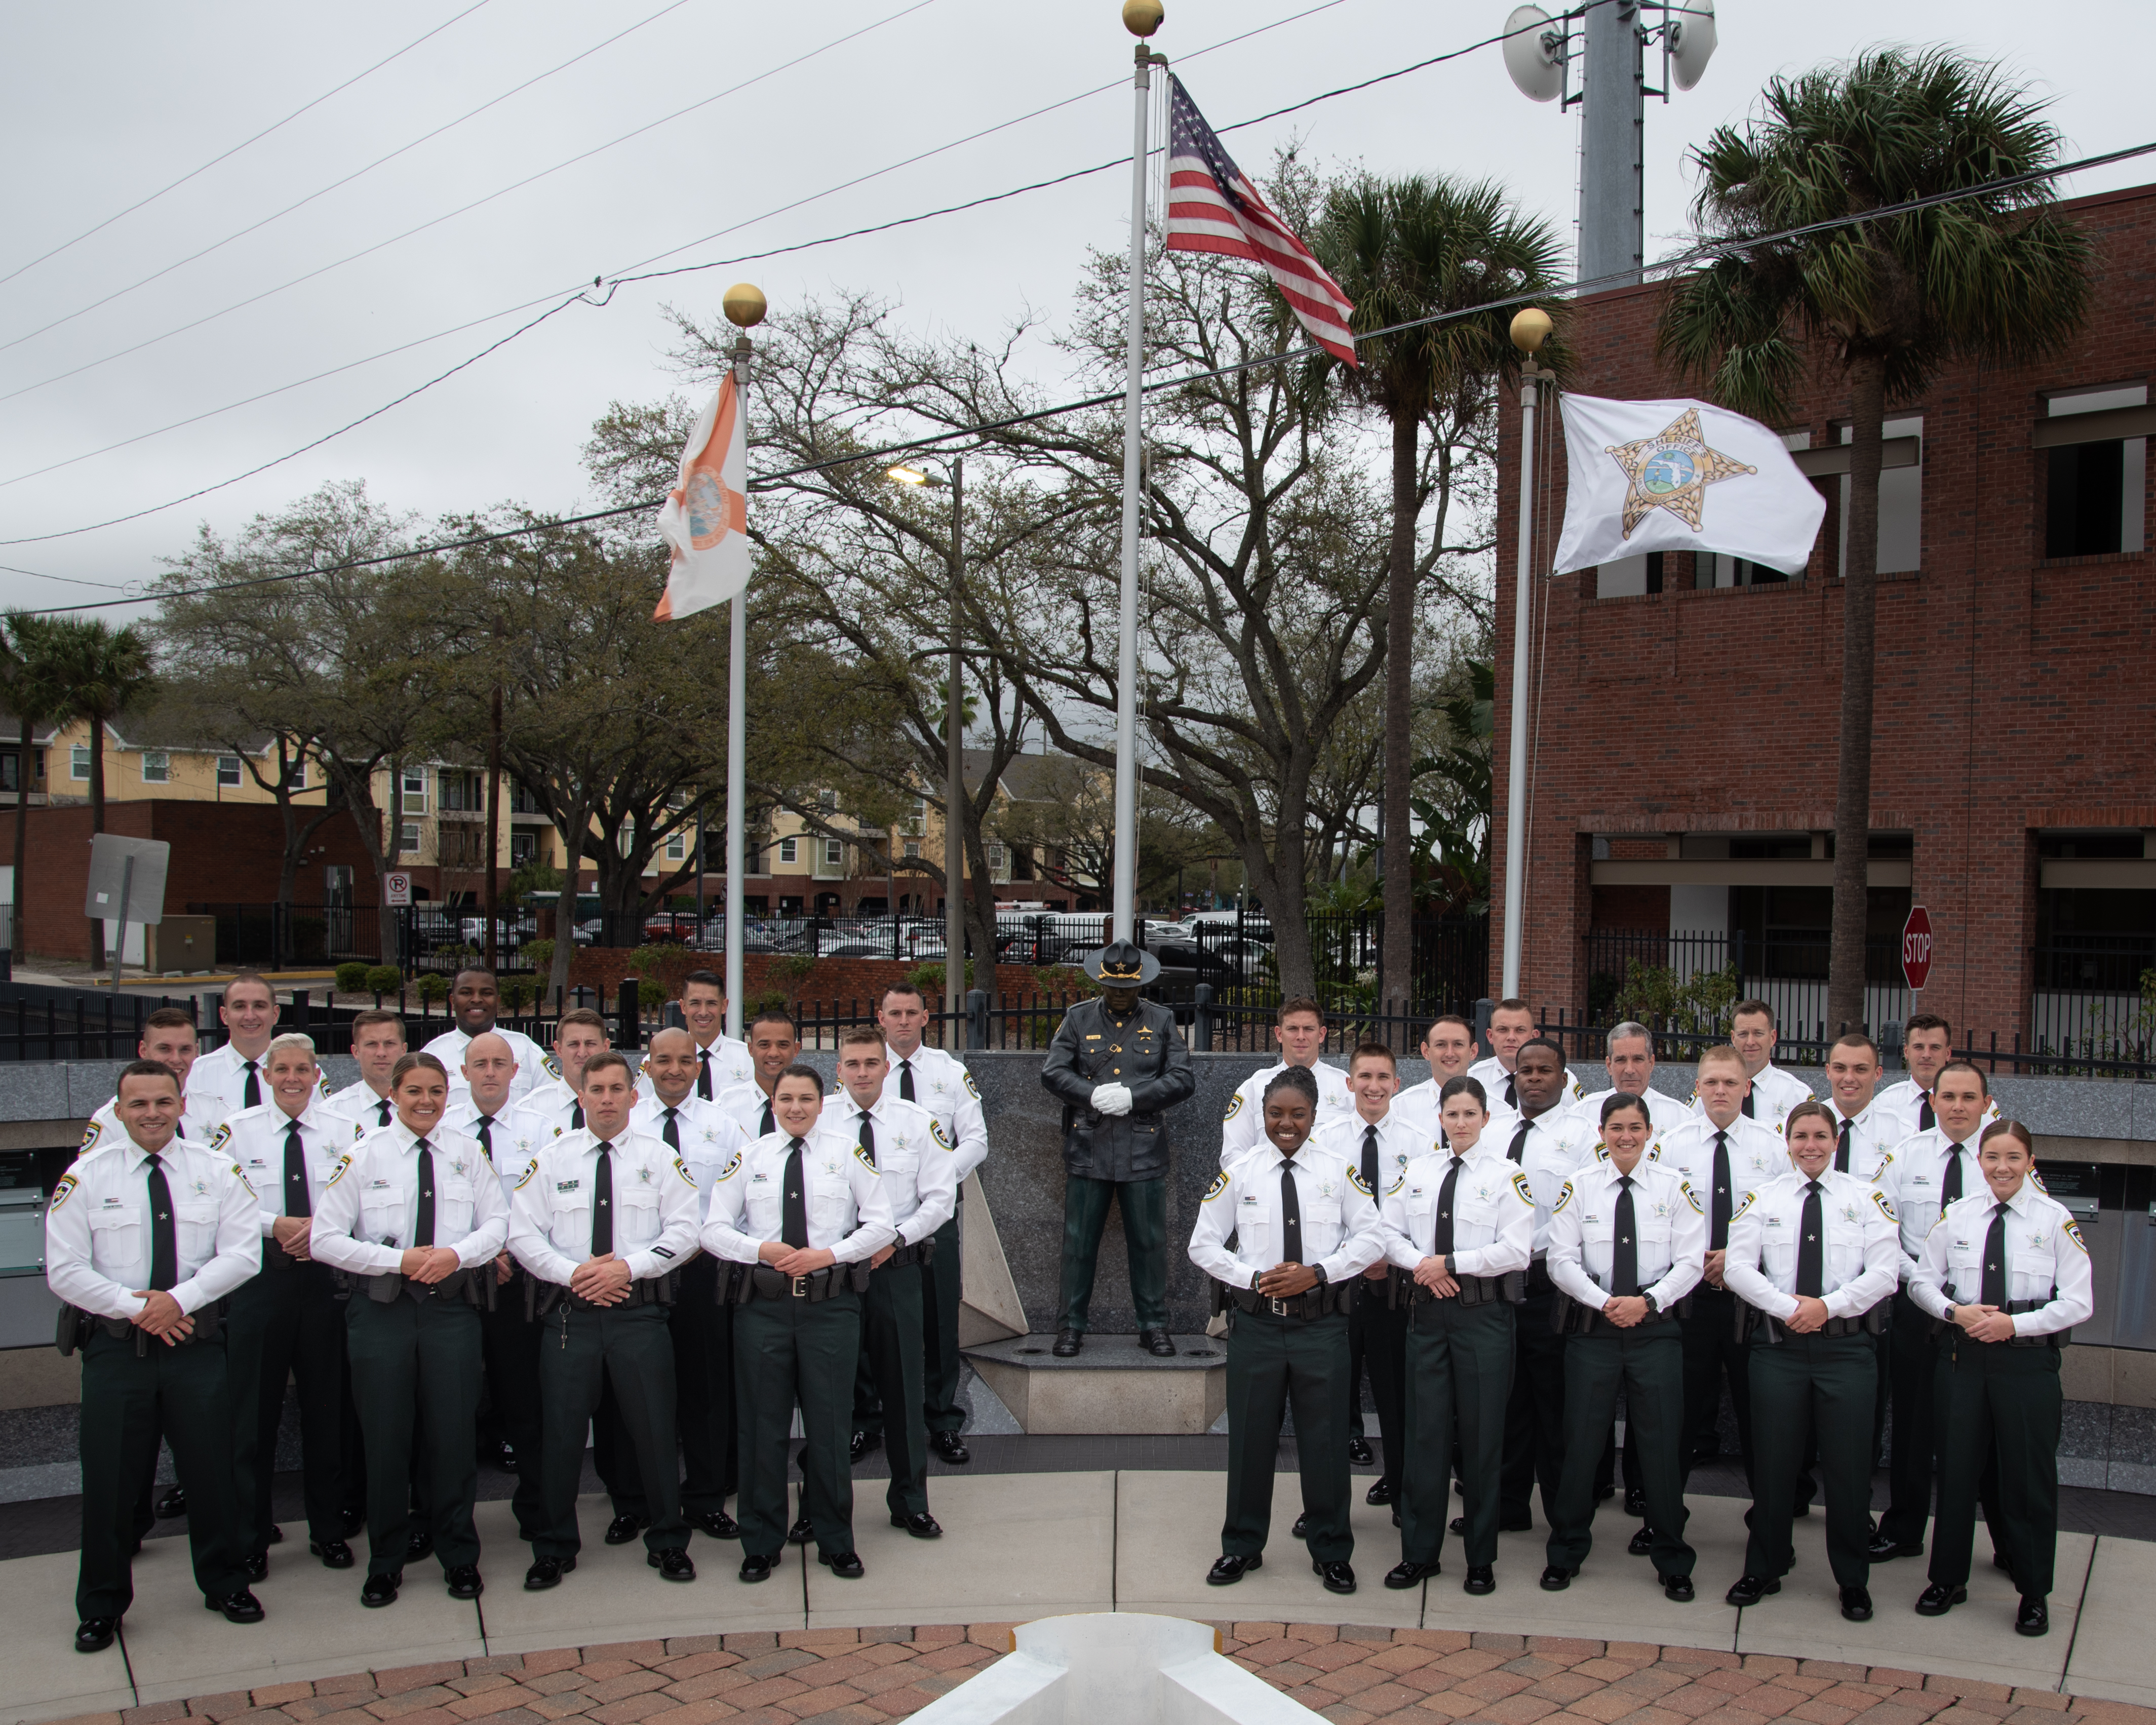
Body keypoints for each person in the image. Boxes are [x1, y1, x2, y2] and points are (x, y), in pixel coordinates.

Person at [48, 1061, 264, 1653]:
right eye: (139, 1103)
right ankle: (102, 1603)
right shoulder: (86, 1177)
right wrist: (136, 1307)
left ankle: (226, 1583)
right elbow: (64, 1270)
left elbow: (243, 1254)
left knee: (212, 1473)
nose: (152, 1113)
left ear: (181, 1106)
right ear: (119, 1111)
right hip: (118, 1352)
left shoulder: (217, 1170)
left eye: (164, 1102)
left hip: (196, 1348)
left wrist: (178, 1301)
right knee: (111, 1481)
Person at [310, 1052, 507, 1609]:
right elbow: (325, 1238)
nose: (426, 1102)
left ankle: (459, 1555)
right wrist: (396, 1261)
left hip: (450, 1311)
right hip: (382, 1314)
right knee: (385, 1441)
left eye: (436, 1092)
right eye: (415, 1091)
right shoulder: (363, 1154)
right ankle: (386, 1562)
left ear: (448, 1096)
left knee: (453, 1438)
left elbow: (498, 1223)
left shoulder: (467, 1153)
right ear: (394, 1094)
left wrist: (454, 1255)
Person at [508, 1050, 700, 1589]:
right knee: (561, 1436)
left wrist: (626, 1269)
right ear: (582, 1096)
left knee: (655, 1432)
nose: (608, 1099)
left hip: (638, 1317)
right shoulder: (552, 1159)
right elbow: (523, 1234)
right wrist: (574, 1274)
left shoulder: (660, 1157)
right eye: (597, 1090)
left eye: (618, 1089)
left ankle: (668, 1541)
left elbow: (686, 1231)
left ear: (634, 1097)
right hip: (570, 1317)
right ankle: (554, 1546)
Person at [1190, 1067, 1384, 1597]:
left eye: (1297, 1113)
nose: (1286, 1123)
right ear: (1263, 1115)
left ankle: (1331, 1551)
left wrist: (1318, 1272)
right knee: (1250, 1441)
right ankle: (1242, 1544)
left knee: (1325, 1443)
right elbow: (1202, 1244)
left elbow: (1372, 1237)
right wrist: (1251, 1277)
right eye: (1276, 1113)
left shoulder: (1339, 1172)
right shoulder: (1241, 1173)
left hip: (1321, 1329)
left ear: (1314, 1116)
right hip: (1256, 1326)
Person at [702, 1063, 895, 1584]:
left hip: (829, 1309)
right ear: (773, 1104)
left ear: (821, 1102)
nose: (795, 1108)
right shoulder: (751, 1156)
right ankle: (760, 1544)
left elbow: (882, 1224)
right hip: (762, 1309)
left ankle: (836, 1541)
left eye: (805, 1099)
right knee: (761, 1429)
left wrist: (828, 1254)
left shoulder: (846, 1153)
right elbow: (712, 1229)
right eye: (786, 1099)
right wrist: (759, 1249)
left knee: (831, 1427)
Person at [1908, 1118, 2090, 1636]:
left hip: (2026, 1364)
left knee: (2028, 1479)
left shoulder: (2054, 1220)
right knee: (1956, 1472)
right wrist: (1953, 1311)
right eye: (1992, 1157)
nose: (2002, 1167)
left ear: (2030, 1162)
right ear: (1979, 1161)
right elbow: (1921, 1281)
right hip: (1964, 1360)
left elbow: (2079, 1301)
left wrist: (2016, 1325)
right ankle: (1947, 1579)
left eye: (2013, 1157)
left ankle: (2033, 1592)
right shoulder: (1958, 1215)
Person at [1721, 1099, 1900, 1622]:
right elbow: (1737, 1268)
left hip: (1847, 1350)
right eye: (1801, 1136)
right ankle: (1766, 1565)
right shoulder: (1763, 1198)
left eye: (1820, 1136)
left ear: (1835, 1142)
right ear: (1787, 1142)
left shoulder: (1867, 1199)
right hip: (1779, 1349)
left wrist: (1828, 1307)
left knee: (1848, 1469)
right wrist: (1790, 1309)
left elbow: (1885, 1273)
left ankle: (1852, 1579)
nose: (1811, 1145)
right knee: (1773, 1464)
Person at [1541, 1092, 1705, 1600]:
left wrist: (1648, 1302)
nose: (1626, 1136)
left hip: (1655, 1332)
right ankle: (1565, 1551)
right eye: (1616, 1128)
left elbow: (1691, 1261)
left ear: (1650, 1132)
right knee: (1581, 1445)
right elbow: (1560, 1259)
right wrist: (1605, 1302)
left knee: (1660, 1447)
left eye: (1635, 1127)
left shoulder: (1675, 1187)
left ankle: (1671, 1555)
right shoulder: (1580, 1186)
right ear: (1602, 1133)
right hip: (1595, 1330)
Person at [1378, 1075, 1534, 1596]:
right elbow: (1387, 1232)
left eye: (1470, 1114)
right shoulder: (1418, 1171)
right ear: (1440, 1118)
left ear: (1486, 1119)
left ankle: (1480, 1559)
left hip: (1482, 1319)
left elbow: (1516, 1250)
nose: (1461, 1122)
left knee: (1483, 1438)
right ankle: (1419, 1554)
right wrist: (1424, 1265)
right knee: (1424, 1437)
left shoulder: (1507, 1176)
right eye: (1452, 1114)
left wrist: (1451, 1263)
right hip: (1427, 1317)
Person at [220, 1033, 355, 1577]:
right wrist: (273, 1224)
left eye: (303, 1069)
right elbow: (221, 1203)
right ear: (268, 1075)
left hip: (326, 1284)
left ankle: (329, 1530)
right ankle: (250, 1537)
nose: (293, 1078)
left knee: (328, 1413)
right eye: (283, 1069)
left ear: (317, 1074)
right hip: (259, 1284)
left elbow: (361, 1198)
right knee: (252, 1417)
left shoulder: (346, 1131)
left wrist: (321, 1227)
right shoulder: (236, 1131)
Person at [825, 1026, 958, 1539]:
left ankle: (909, 1501)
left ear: (886, 1067)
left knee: (903, 1387)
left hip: (895, 1269)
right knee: (827, 1393)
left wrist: (894, 1240)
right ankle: (822, 1506)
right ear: (838, 1069)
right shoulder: (818, 1119)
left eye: (870, 1063)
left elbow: (939, 1201)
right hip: (834, 1275)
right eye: (852, 1064)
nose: (861, 1073)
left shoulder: (918, 1123)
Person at [1039, 940, 1197, 1358]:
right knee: (1078, 1243)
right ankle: (1070, 1326)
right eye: (1113, 987)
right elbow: (1053, 1072)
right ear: (1102, 982)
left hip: (1142, 1148)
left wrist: (1134, 1097)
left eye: (1128, 988)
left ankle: (1153, 1325)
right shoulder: (1078, 1018)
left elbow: (1182, 1078)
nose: (1121, 994)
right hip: (1089, 1146)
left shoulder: (1161, 1020)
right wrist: (1089, 1094)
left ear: (1141, 984)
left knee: (1149, 1243)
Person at [1872, 1058, 1995, 1564]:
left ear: (1986, 1103)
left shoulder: (2002, 1157)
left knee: (1987, 1430)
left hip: (1984, 1313)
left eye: (1969, 1097)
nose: (1958, 1106)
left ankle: (2004, 1540)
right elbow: (1885, 1234)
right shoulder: (1906, 1155)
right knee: (1913, 1421)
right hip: (1916, 1309)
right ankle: (1904, 1527)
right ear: (1933, 1101)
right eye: (1949, 1097)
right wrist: (1925, 1286)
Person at [632, 1027, 751, 1541]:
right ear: (648, 1066)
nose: (674, 1069)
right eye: (664, 1060)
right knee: (639, 1394)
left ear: (698, 1068)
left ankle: (705, 1495)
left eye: (685, 1060)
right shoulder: (627, 1123)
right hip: (639, 1275)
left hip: (702, 1273)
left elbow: (747, 1194)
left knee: (706, 1389)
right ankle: (639, 1500)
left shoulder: (722, 1126)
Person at [864, 981, 989, 1467]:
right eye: (893, 1013)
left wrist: (934, 1181)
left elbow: (975, 1141)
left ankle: (942, 1420)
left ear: (925, 1018)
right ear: (880, 1018)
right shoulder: (864, 1070)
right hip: (875, 1217)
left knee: (938, 1318)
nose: (902, 1021)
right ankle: (867, 1420)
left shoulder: (949, 1072)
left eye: (910, 1013)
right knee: (870, 1319)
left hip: (936, 1216)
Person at [1652, 1045, 1790, 1475]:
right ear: (1697, 1087)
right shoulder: (1671, 1147)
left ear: (1746, 1088)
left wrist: (1740, 1258)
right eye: (1710, 1082)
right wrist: (1692, 1258)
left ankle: (1767, 1511)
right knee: (1680, 1407)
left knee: (1759, 1410)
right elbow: (1656, 1217)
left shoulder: (1773, 1147)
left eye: (1730, 1082)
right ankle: (1667, 1509)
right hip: (1689, 1297)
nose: (1720, 1091)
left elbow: (1788, 1217)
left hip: (1751, 1299)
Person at [445, 1032, 547, 1539]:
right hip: (456, 1282)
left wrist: (508, 1253)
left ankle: (538, 1512)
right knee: (448, 1406)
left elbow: (546, 1204)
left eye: (499, 1063)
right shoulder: (441, 1128)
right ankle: (445, 1517)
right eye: (479, 1064)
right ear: (463, 1072)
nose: (489, 1072)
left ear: (514, 1071)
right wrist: (479, 1254)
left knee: (525, 1402)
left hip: (518, 1282)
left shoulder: (540, 1129)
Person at [1313, 1043, 1421, 1507]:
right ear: (1348, 1083)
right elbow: (1316, 1212)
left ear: (1396, 1084)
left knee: (1396, 1398)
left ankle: (1402, 1495)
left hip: (1392, 1286)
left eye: (1382, 1078)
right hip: (1336, 1287)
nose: (1373, 1087)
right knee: (1329, 1401)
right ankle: (1325, 1507)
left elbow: (1422, 1217)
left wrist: (1389, 1256)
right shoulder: (1324, 1139)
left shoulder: (1420, 1142)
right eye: (1364, 1077)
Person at [1496, 1039, 1596, 1532]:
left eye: (1544, 1070)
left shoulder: (1582, 1137)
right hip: (1496, 1286)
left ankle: (1564, 1519)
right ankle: (1508, 1507)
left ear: (1563, 1077)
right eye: (1526, 1070)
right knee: (1507, 1401)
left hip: (1549, 1285)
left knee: (1555, 1406)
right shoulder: (1494, 1130)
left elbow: (1587, 1211)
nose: (1534, 1077)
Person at [1218, 998, 1354, 1167]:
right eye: (1292, 1029)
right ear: (1279, 1034)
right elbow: (1233, 1154)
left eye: (1309, 1029)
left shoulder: (1345, 1087)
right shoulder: (1254, 1088)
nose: (1301, 1037)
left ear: (1321, 1034)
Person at [83, 1007, 225, 1147]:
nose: (176, 1059)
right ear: (144, 1050)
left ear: (196, 1051)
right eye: (164, 1049)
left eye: (185, 1049)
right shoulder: (110, 1120)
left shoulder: (217, 1111)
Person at [420, 969, 549, 1107]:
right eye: (466, 993)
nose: (476, 999)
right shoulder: (433, 1055)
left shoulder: (526, 1049)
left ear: (498, 1001)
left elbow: (550, 1101)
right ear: (453, 1000)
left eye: (486, 993)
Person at [1393, 1016, 1517, 1147]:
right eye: (1441, 1045)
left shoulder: (1501, 1111)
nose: (1450, 1053)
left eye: (1458, 1044)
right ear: (1426, 1051)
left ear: (1473, 1051)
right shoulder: (1401, 1108)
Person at [187, 973, 295, 1119]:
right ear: (225, 1015)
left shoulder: (302, 1073)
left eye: (259, 1006)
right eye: (240, 1007)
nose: (250, 1016)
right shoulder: (197, 1074)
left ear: (275, 1014)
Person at [636, 969, 753, 1102]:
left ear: (724, 1006)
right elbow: (640, 1109)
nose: (703, 1012)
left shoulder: (749, 1059)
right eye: (695, 1003)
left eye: (711, 1003)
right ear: (683, 1006)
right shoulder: (658, 1061)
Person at [1877, 1013, 2001, 1139]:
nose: (1926, 1055)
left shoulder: (1978, 1105)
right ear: (1906, 1051)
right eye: (1919, 1047)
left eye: (1935, 1047)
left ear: (1948, 1053)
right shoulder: (1885, 1103)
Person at [1699, 1000, 1814, 1128]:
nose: (1750, 1042)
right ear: (1733, 1038)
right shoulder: (1709, 1091)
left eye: (1758, 1033)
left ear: (1772, 1037)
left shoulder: (1797, 1094)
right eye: (1743, 1034)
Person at [1572, 1024, 1689, 1138]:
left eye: (1638, 1059)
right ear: (1609, 1065)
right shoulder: (1582, 1115)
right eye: (1621, 1060)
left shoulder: (1681, 1119)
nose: (1629, 1070)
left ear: (1651, 1063)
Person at [1470, 999, 1584, 1113]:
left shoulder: (1560, 1079)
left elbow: (1578, 1120)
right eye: (1503, 1030)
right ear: (1490, 1036)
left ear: (1533, 1036)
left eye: (1520, 1030)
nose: (1511, 1037)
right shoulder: (1473, 1078)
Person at [714, 1008, 806, 1141]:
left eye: (783, 1045)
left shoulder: (810, 1110)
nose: (773, 1053)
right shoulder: (725, 1107)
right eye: (764, 1045)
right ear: (751, 1049)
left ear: (796, 1049)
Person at [516, 1009, 611, 1136]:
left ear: (605, 1047)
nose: (582, 1053)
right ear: (559, 1050)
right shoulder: (531, 1108)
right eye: (573, 1044)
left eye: (590, 1044)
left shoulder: (626, 1108)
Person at [1821, 1034, 1904, 1179]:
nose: (1849, 1078)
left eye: (1860, 1069)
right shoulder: (1800, 1127)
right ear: (1828, 1071)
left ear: (1877, 1074)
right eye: (1840, 1068)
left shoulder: (1901, 1135)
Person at [322, 1011, 410, 1142]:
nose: (381, 1053)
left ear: (404, 1050)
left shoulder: (424, 1107)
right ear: (356, 1052)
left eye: (389, 1043)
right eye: (372, 1044)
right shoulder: (333, 1112)